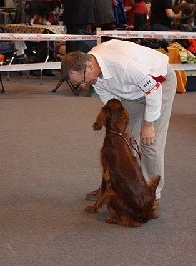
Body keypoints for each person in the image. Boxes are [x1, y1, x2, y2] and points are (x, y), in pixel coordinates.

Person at [61, 39, 177, 202]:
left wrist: (148, 125)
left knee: (149, 142)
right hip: (132, 91)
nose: (84, 85)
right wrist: (125, 126)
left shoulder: (124, 65)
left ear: (89, 65)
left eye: (83, 80)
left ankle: (150, 194)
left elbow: (153, 91)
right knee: (121, 140)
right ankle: (115, 187)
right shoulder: (94, 73)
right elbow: (110, 99)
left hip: (159, 84)